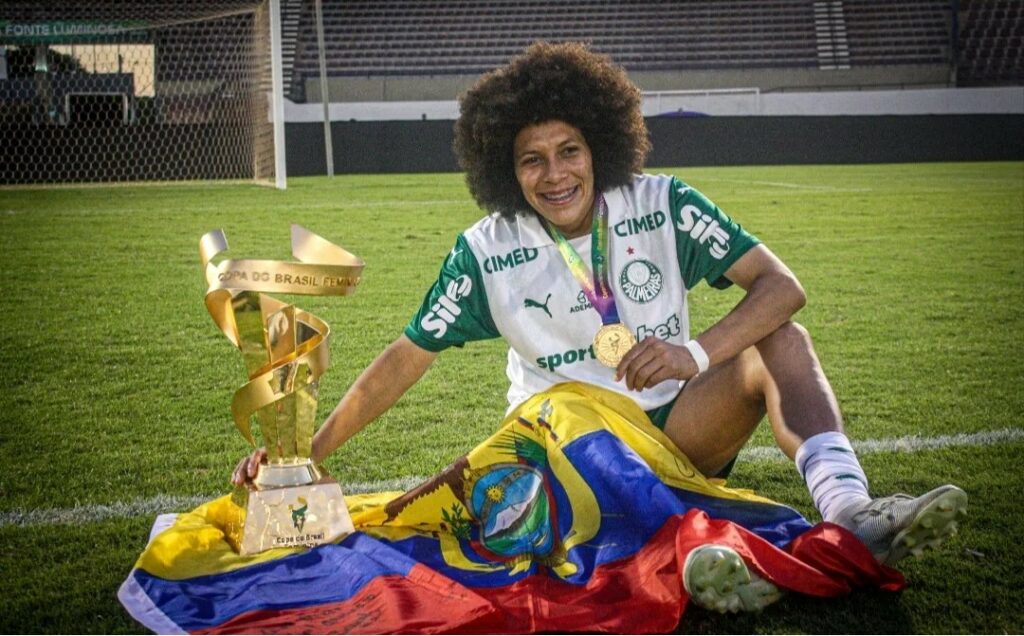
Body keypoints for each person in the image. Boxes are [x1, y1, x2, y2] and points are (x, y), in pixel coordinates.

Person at [233, 42, 966, 613]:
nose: (555, 175)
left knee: (779, 341)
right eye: (532, 160)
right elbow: (405, 356)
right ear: (505, 170)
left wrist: (693, 352)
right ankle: (699, 561)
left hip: (677, 432)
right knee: (478, 528)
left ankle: (852, 511)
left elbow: (784, 289)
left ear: (600, 147)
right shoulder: (487, 250)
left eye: (569, 151)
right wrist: (307, 452)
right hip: (563, 457)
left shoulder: (662, 203)